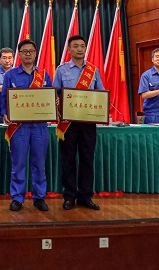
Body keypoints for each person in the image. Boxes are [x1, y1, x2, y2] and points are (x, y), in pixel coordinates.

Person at [0, 39, 52, 212]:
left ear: (35, 53)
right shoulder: (11, 75)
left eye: (31, 51)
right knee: (18, 164)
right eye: (24, 51)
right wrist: (4, 113)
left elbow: (51, 97)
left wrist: (55, 103)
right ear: (19, 54)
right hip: (19, 127)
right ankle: (17, 198)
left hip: (39, 127)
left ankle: (39, 197)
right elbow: (4, 99)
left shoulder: (44, 75)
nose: (28, 54)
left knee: (39, 164)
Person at [53, 35, 104, 211]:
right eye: (75, 46)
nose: (79, 49)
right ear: (69, 49)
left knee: (87, 159)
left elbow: (100, 93)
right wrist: (57, 101)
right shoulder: (61, 70)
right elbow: (54, 93)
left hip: (88, 122)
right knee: (68, 159)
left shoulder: (93, 70)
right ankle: (69, 196)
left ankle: (85, 196)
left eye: (82, 46)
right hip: (68, 123)